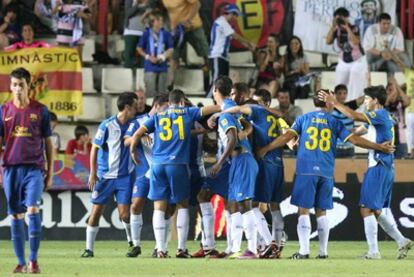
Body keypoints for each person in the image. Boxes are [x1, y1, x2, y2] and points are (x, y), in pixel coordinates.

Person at [257, 91, 395, 259]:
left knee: (304, 210)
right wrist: (379, 147)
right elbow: (355, 141)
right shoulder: (334, 122)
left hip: (306, 170)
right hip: (326, 171)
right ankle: (323, 252)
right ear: (328, 103)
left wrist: (267, 148)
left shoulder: (304, 119)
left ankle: (304, 252)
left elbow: (287, 137)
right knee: (321, 212)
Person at [320, 86, 413, 259]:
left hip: (378, 165)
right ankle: (401, 241)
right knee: (375, 210)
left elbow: (354, 116)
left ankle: (374, 252)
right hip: (384, 167)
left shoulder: (379, 114)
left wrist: (334, 103)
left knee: (365, 209)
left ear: (376, 101)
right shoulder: (379, 118)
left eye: (367, 99)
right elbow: (356, 132)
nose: (365, 102)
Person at [129, 89, 220, 258]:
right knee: (182, 205)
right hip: (177, 165)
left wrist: (133, 151)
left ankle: (161, 250)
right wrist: (224, 105)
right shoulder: (186, 112)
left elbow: (137, 134)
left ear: (169, 102)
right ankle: (181, 248)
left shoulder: (157, 117)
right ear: (181, 102)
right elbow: (209, 109)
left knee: (159, 207)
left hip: (157, 166)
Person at [219, 89, 292, 258]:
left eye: (255, 101)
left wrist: (219, 114)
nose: (250, 104)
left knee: (253, 205)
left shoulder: (257, 111)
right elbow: (290, 138)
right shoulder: (276, 117)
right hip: (278, 163)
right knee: (274, 206)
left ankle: (268, 244)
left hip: (264, 161)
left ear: (264, 103)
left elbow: (237, 110)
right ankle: (276, 242)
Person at [0, 67, 53, 273]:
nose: (17, 89)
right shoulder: (3, 111)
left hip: (34, 168)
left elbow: (49, 142)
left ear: (28, 86)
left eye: (21, 85)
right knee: (15, 216)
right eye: (14, 85)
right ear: (10, 86)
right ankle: (21, 262)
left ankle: (33, 260)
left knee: (32, 209)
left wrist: (49, 173)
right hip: (11, 169)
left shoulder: (40, 110)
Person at [81, 92, 138, 258]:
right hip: (105, 177)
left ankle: (131, 242)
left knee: (125, 214)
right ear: (127, 107)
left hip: (124, 177)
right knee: (96, 212)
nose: (136, 109)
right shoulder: (106, 126)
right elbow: (94, 148)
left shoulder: (133, 124)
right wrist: (92, 172)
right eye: (134, 106)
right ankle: (89, 249)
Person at [209, 76, 259, 259]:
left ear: (215, 90)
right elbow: (247, 125)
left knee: (245, 204)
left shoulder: (225, 113)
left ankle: (252, 250)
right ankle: (233, 248)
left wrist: (219, 162)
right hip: (239, 161)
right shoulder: (231, 109)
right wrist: (246, 131)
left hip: (242, 160)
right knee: (234, 204)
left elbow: (231, 139)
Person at [124, 94, 169, 257]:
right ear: (156, 106)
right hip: (145, 171)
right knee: (135, 206)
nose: (168, 110)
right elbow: (126, 140)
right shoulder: (138, 121)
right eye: (165, 107)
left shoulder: (168, 121)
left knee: (166, 209)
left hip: (163, 169)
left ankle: (160, 247)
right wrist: (140, 134)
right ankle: (136, 245)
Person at [207, 4, 255, 97]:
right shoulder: (221, 21)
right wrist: (250, 44)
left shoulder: (225, 24)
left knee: (223, 83)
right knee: (216, 82)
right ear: (232, 13)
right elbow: (235, 36)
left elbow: (235, 37)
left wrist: (249, 47)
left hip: (223, 57)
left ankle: (217, 103)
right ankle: (207, 101)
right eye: (235, 15)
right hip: (217, 55)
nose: (236, 18)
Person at [162, 0, 209, 87]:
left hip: (193, 27)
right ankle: (170, 85)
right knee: (174, 56)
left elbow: (197, 4)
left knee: (206, 54)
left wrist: (188, 19)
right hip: (177, 31)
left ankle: (210, 80)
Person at [326, 7, 368, 102]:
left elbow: (356, 42)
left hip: (357, 60)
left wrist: (347, 28)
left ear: (347, 17)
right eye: (337, 18)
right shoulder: (336, 29)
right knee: (339, 84)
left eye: (341, 18)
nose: (339, 20)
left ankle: (354, 107)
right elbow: (328, 41)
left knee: (354, 85)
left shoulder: (354, 28)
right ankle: (338, 106)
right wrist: (332, 27)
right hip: (343, 60)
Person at [137, 11, 173, 97]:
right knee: (150, 93)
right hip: (150, 67)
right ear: (153, 22)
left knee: (163, 94)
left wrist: (163, 56)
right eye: (158, 20)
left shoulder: (166, 33)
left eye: (161, 20)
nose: (161, 22)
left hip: (162, 66)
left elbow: (171, 49)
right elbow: (139, 48)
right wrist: (148, 57)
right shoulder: (146, 33)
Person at [332, 84, 363, 157]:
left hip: (349, 147)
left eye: (344, 93)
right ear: (335, 95)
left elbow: (363, 99)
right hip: (335, 147)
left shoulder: (350, 106)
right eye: (339, 93)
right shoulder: (330, 108)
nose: (342, 95)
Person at [385, 78, 411, 158]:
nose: (391, 92)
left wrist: (397, 87)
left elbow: (407, 101)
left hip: (401, 140)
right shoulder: (385, 103)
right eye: (389, 90)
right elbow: (386, 102)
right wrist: (394, 89)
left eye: (392, 90)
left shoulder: (400, 103)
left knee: (403, 166)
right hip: (388, 141)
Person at [123, 0, 152, 68]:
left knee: (145, 57)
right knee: (129, 57)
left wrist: (139, 9)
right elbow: (128, 14)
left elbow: (151, 10)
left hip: (145, 31)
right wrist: (138, 5)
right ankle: (128, 77)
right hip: (131, 31)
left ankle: (142, 77)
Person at [282, 35, 310, 102]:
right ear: (289, 46)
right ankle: (292, 106)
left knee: (304, 86)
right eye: (292, 44)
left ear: (300, 45)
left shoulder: (304, 56)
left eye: (296, 43)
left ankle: (301, 106)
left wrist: (302, 68)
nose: (294, 45)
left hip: (301, 78)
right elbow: (286, 74)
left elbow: (307, 73)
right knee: (293, 86)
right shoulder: (285, 57)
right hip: (290, 79)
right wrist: (295, 71)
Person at [256, 33, 283, 97]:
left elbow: (278, 75)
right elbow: (261, 70)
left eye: (271, 42)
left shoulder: (280, 57)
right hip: (262, 80)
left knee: (274, 84)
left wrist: (276, 69)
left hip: (273, 81)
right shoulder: (262, 54)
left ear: (277, 43)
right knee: (265, 90)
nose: (268, 44)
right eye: (267, 42)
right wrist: (267, 56)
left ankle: (268, 103)